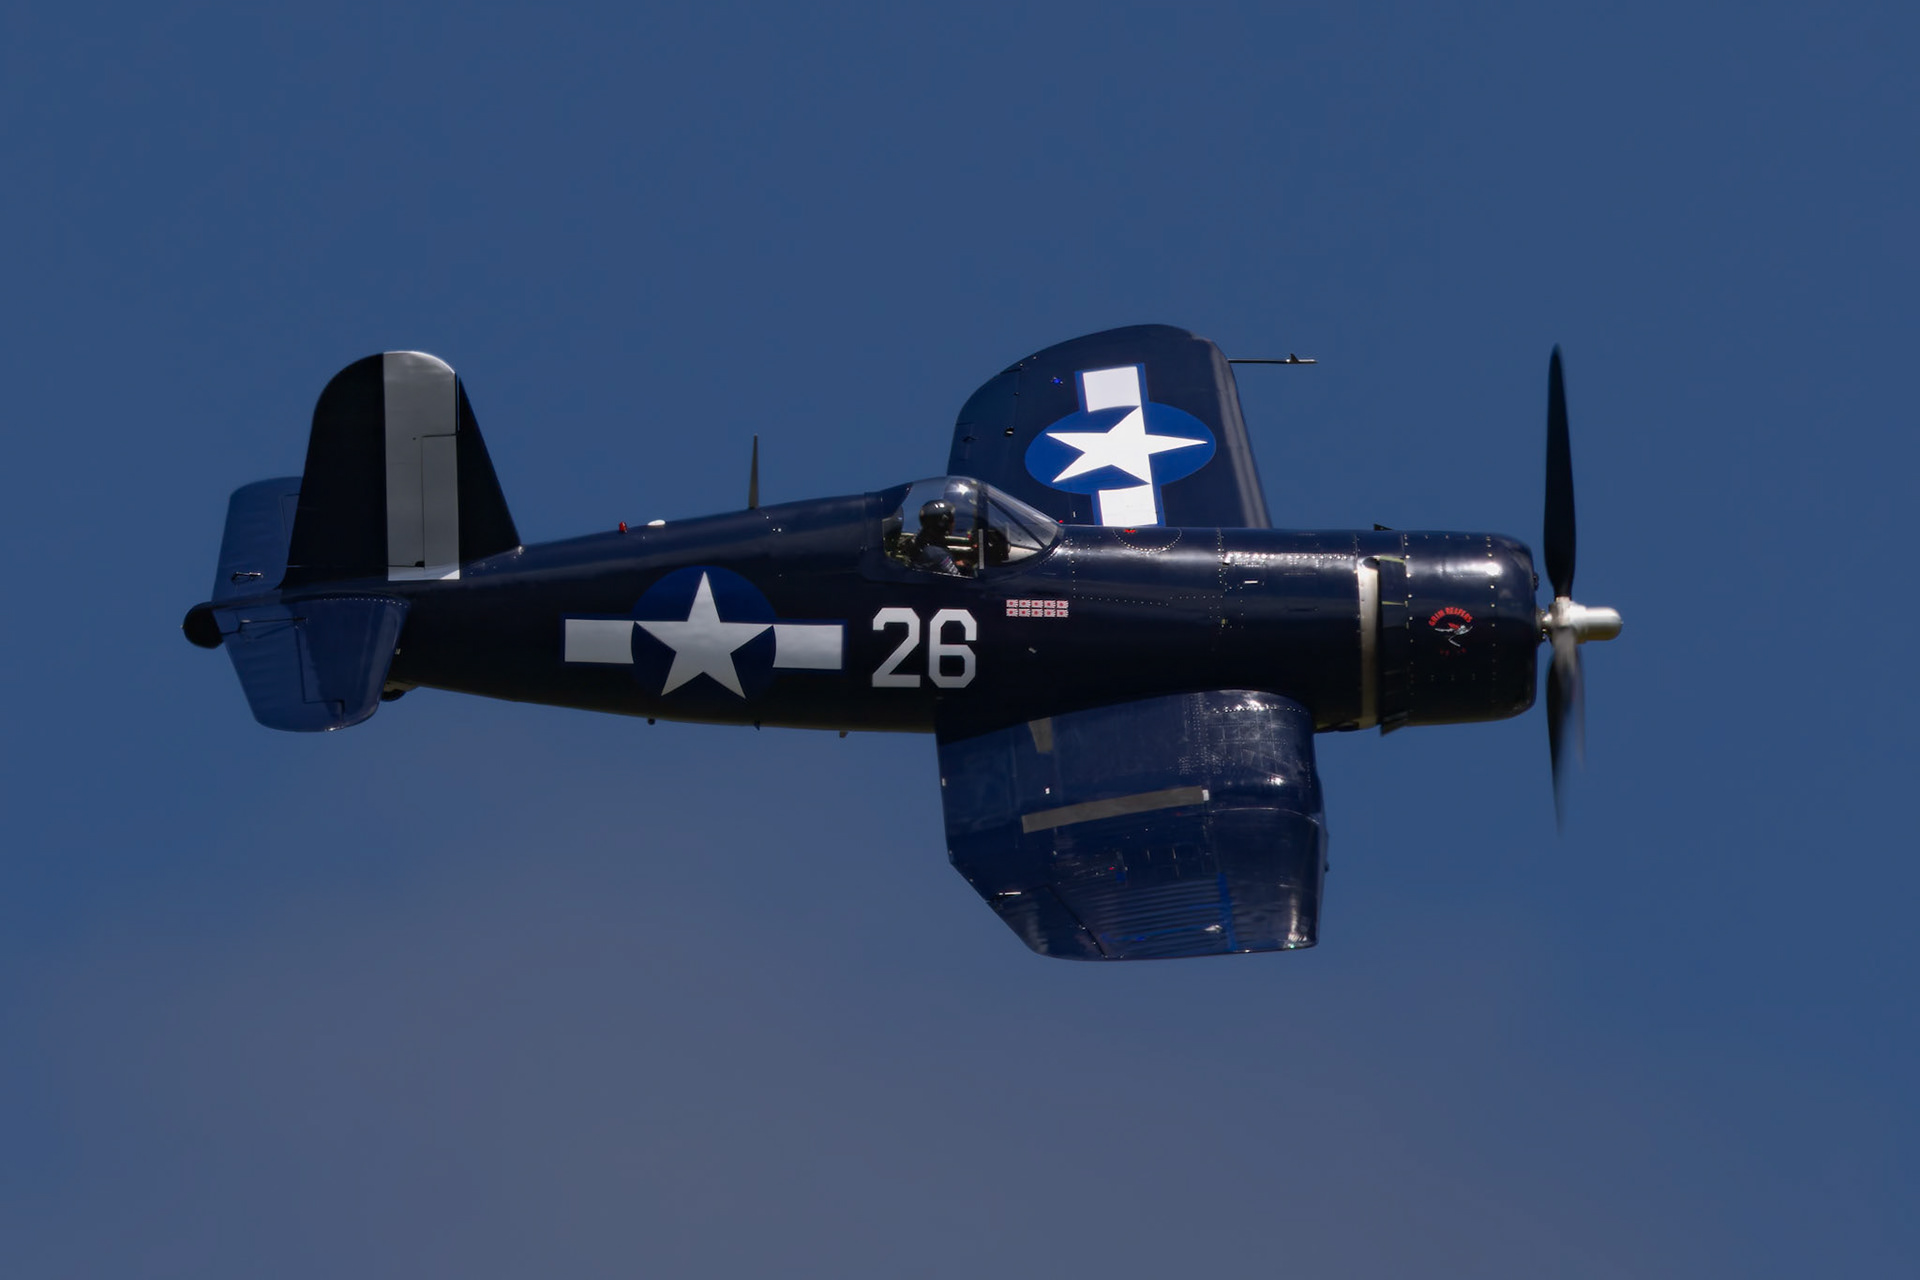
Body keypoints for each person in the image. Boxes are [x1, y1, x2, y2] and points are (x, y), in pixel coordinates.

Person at [909, 499, 963, 575]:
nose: (954, 523)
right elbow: (959, 580)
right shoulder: (938, 555)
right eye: (951, 520)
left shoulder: (923, 541)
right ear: (943, 524)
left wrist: (958, 565)